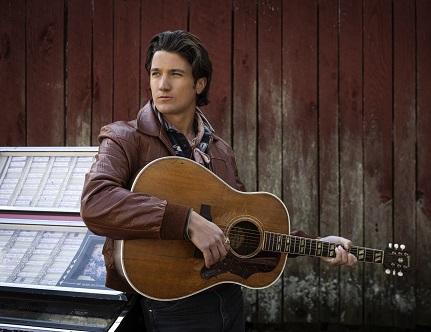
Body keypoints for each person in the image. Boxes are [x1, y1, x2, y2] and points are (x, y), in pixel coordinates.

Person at [80, 30, 357, 332]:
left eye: (175, 74)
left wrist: (315, 244)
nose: (162, 84)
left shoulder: (220, 150)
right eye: (155, 73)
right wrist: (187, 221)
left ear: (200, 84)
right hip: (171, 302)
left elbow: (243, 226)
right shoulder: (124, 138)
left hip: (228, 298)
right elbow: (96, 203)